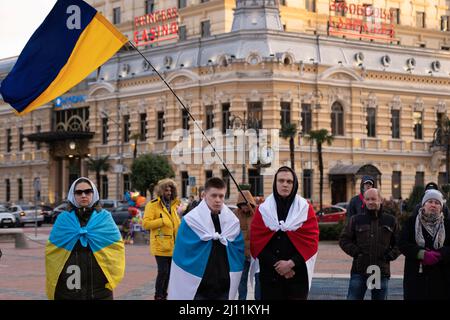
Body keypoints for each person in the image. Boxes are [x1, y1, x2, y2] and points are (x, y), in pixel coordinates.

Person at [45, 177, 125, 300]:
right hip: (68, 287)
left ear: (94, 194)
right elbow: (53, 252)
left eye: (88, 191)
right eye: (79, 192)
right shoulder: (63, 219)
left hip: (99, 287)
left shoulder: (105, 218)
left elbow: (116, 248)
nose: (83, 195)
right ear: (73, 195)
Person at [167, 177, 244, 300]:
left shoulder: (232, 222)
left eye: (221, 196)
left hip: (223, 284)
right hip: (198, 285)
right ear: (204, 195)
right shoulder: (191, 220)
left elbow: (238, 249)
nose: (218, 200)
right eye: (213, 195)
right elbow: (182, 251)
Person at [250, 166, 319, 300]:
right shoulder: (263, 210)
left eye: (289, 181)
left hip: (296, 276)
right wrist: (279, 266)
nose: (285, 184)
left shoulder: (305, 209)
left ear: (295, 184)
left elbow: (312, 242)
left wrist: (290, 264)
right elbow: (256, 243)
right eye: (281, 181)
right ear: (275, 183)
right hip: (270, 276)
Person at [339, 188, 400, 300]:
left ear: (380, 200)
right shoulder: (355, 220)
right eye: (368, 199)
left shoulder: (391, 220)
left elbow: (399, 243)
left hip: (381, 271)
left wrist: (389, 256)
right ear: (364, 201)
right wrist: (356, 252)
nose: (371, 202)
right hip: (359, 270)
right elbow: (344, 240)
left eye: (373, 199)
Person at [398, 189, 450, 299]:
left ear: (441, 207)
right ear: (423, 204)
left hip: (441, 279)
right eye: (430, 201)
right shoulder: (411, 222)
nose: (433, 205)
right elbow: (402, 243)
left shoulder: (447, 225)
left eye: (437, 203)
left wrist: (440, 254)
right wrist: (421, 254)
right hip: (416, 278)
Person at [142, 178, 181, 300]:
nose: (168, 193)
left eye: (170, 190)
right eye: (166, 190)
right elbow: (146, 224)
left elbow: (176, 225)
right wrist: (162, 221)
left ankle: (164, 294)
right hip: (160, 245)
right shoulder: (152, 205)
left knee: (169, 273)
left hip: (173, 245)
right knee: (163, 271)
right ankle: (158, 295)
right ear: (161, 191)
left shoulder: (174, 205)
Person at [234, 190, 261, 300]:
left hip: (256, 253)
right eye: (242, 205)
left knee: (258, 278)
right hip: (242, 253)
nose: (244, 208)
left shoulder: (258, 212)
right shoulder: (235, 214)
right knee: (242, 280)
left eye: (246, 205)